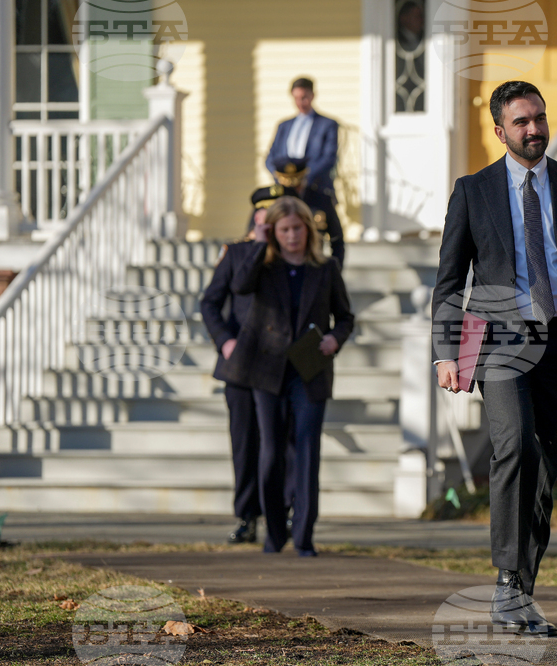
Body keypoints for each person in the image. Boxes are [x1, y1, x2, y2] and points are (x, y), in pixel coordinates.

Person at [432, 81, 557, 636]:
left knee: (544, 465)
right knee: (514, 443)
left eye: (540, 118)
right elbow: (450, 281)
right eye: (522, 122)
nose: (535, 129)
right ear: (500, 130)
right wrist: (449, 352)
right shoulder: (473, 191)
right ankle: (506, 581)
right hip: (497, 341)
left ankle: (521, 587)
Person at [227, 196, 354, 556]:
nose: (292, 236)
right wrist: (258, 239)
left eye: (297, 228)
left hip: (310, 370)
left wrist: (334, 339)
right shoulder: (263, 266)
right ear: (274, 232)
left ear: (308, 231)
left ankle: (303, 536)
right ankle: (273, 533)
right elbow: (239, 286)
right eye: (284, 229)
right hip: (267, 370)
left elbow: (345, 317)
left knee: (307, 450)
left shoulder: (325, 268)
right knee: (270, 453)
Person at [201, 185, 299, 544]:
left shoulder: (292, 253)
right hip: (242, 363)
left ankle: (286, 511)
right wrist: (225, 341)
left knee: (284, 442)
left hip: (281, 364)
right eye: (265, 214)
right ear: (256, 217)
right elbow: (211, 303)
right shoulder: (238, 252)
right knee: (245, 441)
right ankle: (247, 515)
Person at [265, 77, 345, 267]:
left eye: (305, 97)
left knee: (320, 234)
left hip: (314, 188)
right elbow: (271, 157)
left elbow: (329, 157)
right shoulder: (284, 125)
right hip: (285, 190)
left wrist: (302, 178)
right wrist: (282, 177)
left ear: (312, 95)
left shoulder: (327, 124)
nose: (301, 102)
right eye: (297, 98)